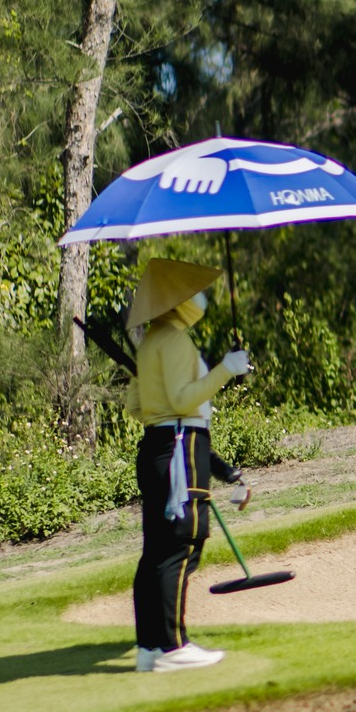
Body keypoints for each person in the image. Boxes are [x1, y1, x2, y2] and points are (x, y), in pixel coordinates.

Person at [121, 259, 253, 673]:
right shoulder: (174, 341)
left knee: (156, 551)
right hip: (181, 446)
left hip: (155, 447)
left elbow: (134, 406)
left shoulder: (150, 342)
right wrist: (226, 370)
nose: (200, 297)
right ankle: (175, 648)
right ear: (177, 301)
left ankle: (150, 648)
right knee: (182, 544)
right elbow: (182, 400)